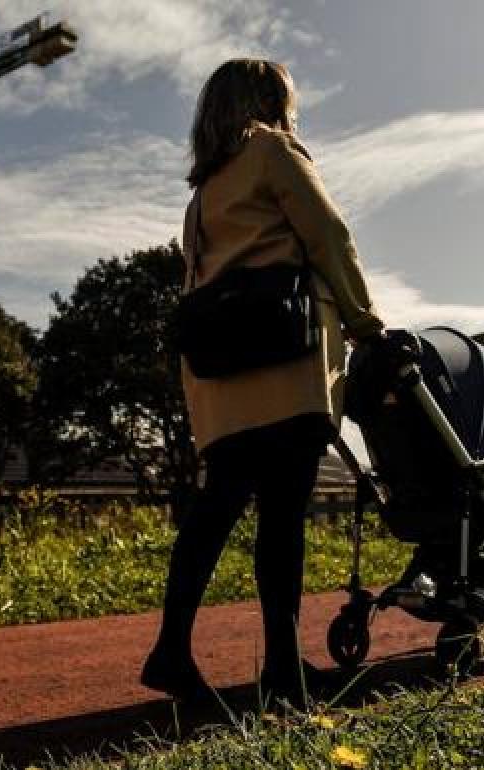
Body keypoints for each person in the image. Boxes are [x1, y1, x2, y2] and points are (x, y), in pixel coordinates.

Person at [140, 59, 384, 708]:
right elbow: (328, 234)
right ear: (271, 103)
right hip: (280, 360)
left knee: (216, 508)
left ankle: (172, 646)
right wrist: (366, 324)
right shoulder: (272, 152)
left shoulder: (201, 196)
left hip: (218, 379)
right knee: (282, 518)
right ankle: (282, 669)